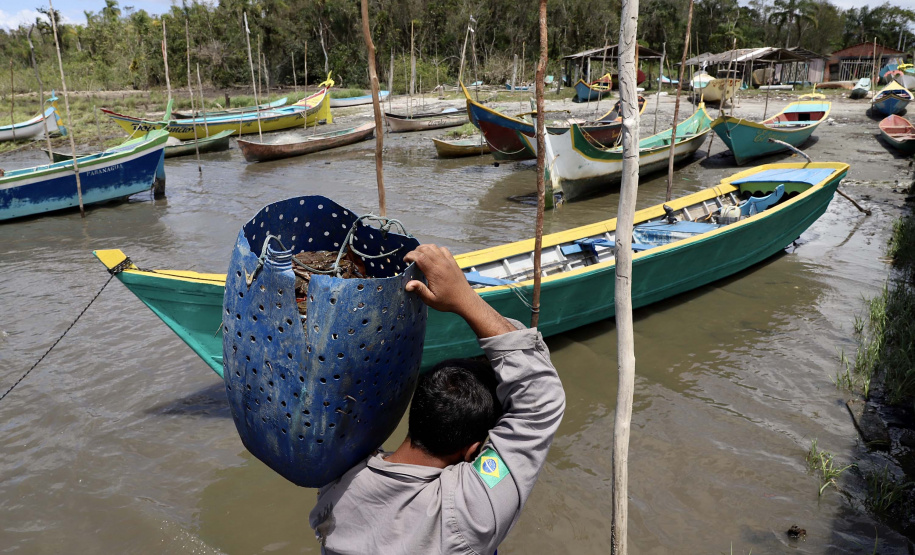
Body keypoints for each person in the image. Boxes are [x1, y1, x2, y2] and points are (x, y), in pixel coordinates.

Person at [309, 244, 566, 555]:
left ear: (417, 411)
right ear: (473, 451)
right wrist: (464, 298)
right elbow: (541, 398)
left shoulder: (339, 480)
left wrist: (461, 298)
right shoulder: (466, 516)